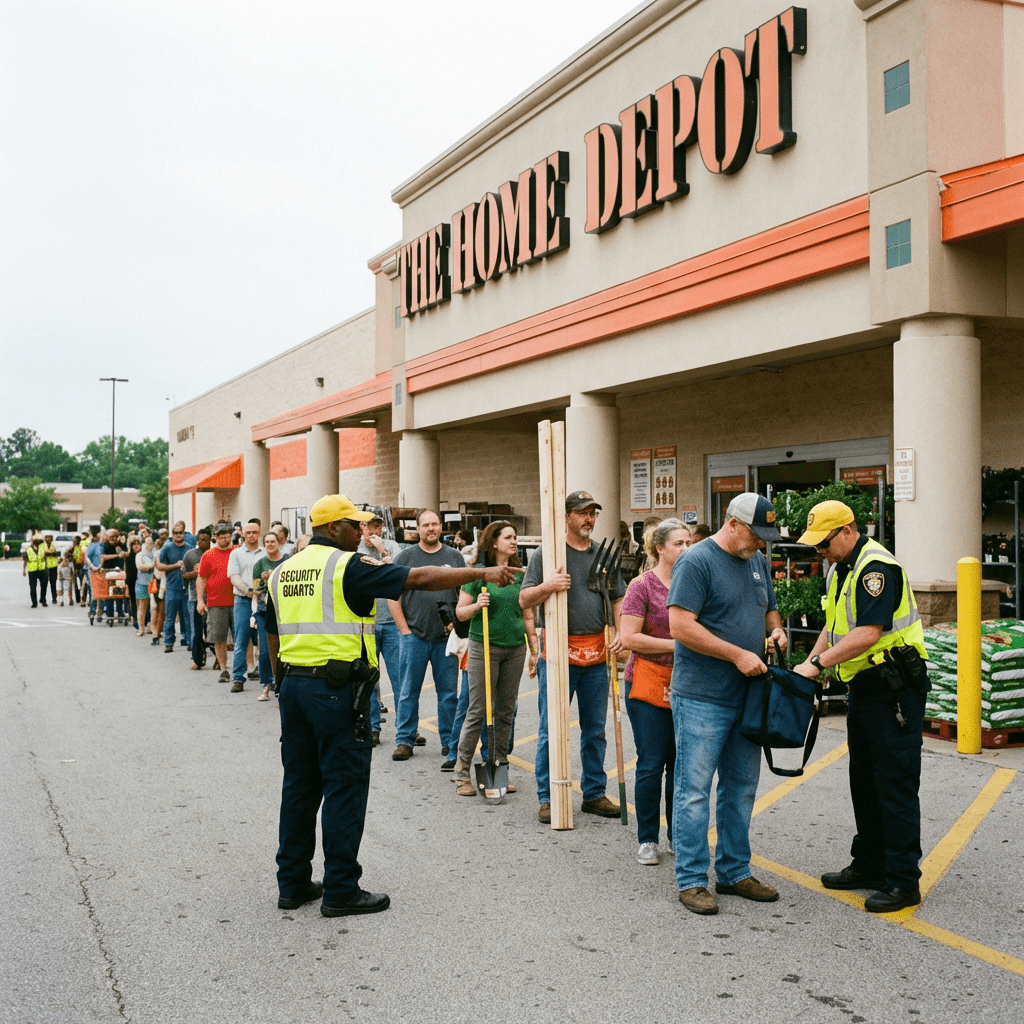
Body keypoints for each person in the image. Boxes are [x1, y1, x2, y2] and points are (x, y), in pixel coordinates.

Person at [264, 493, 522, 917]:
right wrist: (482, 571)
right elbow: (417, 578)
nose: (362, 532)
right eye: (355, 525)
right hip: (336, 691)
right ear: (334, 529)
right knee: (344, 787)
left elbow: (272, 633)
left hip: (294, 687)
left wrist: (282, 684)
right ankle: (341, 889)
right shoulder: (345, 567)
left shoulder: (282, 572)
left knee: (299, 787)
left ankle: (291, 883)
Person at [793, 500, 931, 914]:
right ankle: (870, 863)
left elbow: (868, 633)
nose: (819, 551)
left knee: (894, 784)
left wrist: (817, 664)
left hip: (892, 690)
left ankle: (903, 880)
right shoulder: (842, 568)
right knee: (865, 781)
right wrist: (808, 664)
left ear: (848, 531)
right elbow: (835, 630)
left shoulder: (875, 569)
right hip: (865, 689)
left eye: (824, 542)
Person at [667, 492, 786, 916]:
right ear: (733, 524)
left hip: (747, 696)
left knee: (740, 789)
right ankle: (693, 880)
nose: (761, 544)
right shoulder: (696, 561)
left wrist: (775, 631)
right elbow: (680, 625)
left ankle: (734, 871)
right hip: (703, 696)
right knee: (694, 791)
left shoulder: (756, 561)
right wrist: (736, 654)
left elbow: (769, 609)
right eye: (756, 535)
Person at [519, 490, 625, 824]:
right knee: (552, 728)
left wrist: (620, 632)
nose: (589, 519)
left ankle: (593, 793)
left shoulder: (603, 556)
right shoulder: (546, 555)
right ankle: (548, 796)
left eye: (593, 513)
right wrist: (549, 585)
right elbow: (524, 599)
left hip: (596, 652)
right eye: (582, 513)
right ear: (567, 517)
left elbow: (618, 597)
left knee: (595, 729)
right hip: (558, 653)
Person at [619, 518, 689, 865]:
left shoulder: (694, 582)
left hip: (687, 683)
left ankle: (678, 835)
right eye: (678, 543)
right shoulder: (641, 586)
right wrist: (679, 644)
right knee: (651, 762)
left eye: (688, 542)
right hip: (646, 680)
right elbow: (629, 637)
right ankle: (647, 838)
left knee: (681, 763)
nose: (686, 548)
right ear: (660, 548)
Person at [451, 521, 536, 797]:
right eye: (508, 537)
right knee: (477, 709)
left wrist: (534, 649)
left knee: (505, 710)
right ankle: (462, 772)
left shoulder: (520, 575)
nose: (514, 541)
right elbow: (460, 613)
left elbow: (526, 615)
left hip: (514, 648)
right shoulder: (479, 574)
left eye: (515, 537)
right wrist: (477, 605)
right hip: (483, 645)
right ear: (495, 542)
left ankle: (500, 764)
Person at [388, 509, 467, 761]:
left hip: (446, 639)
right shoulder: (405, 557)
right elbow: (393, 596)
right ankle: (404, 740)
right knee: (408, 691)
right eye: (426, 525)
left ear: (440, 527)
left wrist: (457, 624)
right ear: (418, 529)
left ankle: (448, 741)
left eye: (434, 524)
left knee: (448, 694)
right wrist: (404, 630)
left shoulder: (454, 557)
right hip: (414, 637)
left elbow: (464, 592)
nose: (431, 528)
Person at [356, 515, 402, 744]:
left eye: (379, 526)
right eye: (371, 526)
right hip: (367, 624)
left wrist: (384, 551)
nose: (375, 531)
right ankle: (373, 727)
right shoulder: (355, 549)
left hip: (392, 623)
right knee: (370, 681)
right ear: (362, 527)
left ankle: (406, 730)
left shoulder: (391, 546)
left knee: (399, 679)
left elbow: (396, 574)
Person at [227, 521, 266, 693]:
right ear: (243, 533)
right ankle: (238, 677)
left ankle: (267, 678)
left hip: (263, 600)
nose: (251, 535)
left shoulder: (265, 553)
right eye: (248, 532)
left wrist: (260, 591)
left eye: (254, 532)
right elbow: (233, 576)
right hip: (243, 600)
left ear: (259, 533)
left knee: (264, 641)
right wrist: (247, 590)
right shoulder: (236, 554)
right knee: (241, 640)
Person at [197, 524, 235, 682]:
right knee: (219, 638)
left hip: (237, 600)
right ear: (215, 537)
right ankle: (224, 668)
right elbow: (201, 578)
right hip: (216, 602)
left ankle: (248, 667)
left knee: (242, 637)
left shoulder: (237, 552)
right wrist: (200, 600)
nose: (224, 539)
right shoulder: (208, 555)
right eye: (221, 536)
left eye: (227, 536)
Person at [251, 530, 287, 699]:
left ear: (279, 543)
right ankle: (266, 685)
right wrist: (266, 581)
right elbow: (256, 590)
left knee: (285, 649)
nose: (270, 544)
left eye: (273, 541)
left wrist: (274, 577)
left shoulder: (287, 561)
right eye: (267, 542)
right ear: (264, 544)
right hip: (265, 610)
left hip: (286, 611)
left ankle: (284, 684)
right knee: (265, 651)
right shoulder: (259, 564)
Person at [157, 524, 192, 653]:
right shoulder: (167, 548)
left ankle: (190, 641)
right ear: (172, 534)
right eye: (176, 533)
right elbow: (160, 566)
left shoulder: (189, 548)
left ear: (184, 533)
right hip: (172, 587)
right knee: (170, 617)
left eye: (180, 533)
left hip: (186, 588)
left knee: (188, 617)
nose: (178, 535)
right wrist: (174, 566)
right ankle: (168, 642)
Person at [182, 529, 211, 669]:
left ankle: (218, 657)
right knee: (196, 631)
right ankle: (197, 659)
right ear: (197, 541)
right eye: (201, 540)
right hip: (195, 597)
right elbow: (184, 574)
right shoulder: (190, 555)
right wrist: (195, 573)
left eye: (206, 539)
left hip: (212, 597)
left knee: (211, 630)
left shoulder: (214, 554)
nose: (204, 542)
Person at [135, 536, 155, 636]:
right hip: (142, 583)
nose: (149, 545)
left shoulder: (155, 554)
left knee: (154, 608)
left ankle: (152, 627)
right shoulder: (140, 555)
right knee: (142, 607)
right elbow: (140, 566)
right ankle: (141, 629)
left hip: (153, 583)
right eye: (147, 542)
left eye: (151, 542)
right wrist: (152, 566)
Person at [23, 534, 48, 608]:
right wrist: (24, 570)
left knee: (44, 585)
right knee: (33, 587)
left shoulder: (42, 546)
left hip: (42, 569)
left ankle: (43, 600)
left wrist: (38, 537)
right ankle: (34, 602)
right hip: (32, 570)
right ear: (32, 541)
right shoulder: (28, 549)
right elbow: (25, 560)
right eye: (35, 539)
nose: (37, 540)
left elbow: (43, 540)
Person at [125, 538, 141, 627]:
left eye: (138, 544)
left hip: (141, 580)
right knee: (133, 600)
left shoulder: (143, 556)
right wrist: (126, 582)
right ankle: (135, 617)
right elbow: (127, 569)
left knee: (142, 600)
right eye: (134, 544)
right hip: (132, 581)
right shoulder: (129, 557)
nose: (136, 546)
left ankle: (142, 618)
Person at [43, 533, 59, 604]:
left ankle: (54, 598)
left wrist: (48, 554)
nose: (48, 539)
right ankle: (43, 599)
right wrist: (51, 554)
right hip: (45, 567)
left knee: (53, 583)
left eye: (50, 537)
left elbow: (57, 554)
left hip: (53, 567)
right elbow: (43, 555)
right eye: (47, 537)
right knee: (44, 584)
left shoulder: (54, 545)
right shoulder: (43, 546)